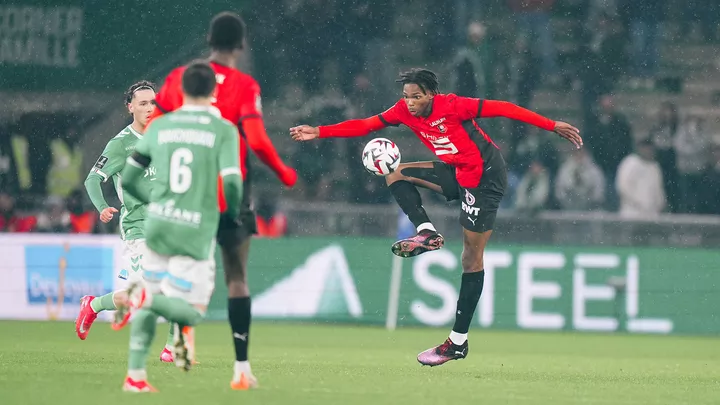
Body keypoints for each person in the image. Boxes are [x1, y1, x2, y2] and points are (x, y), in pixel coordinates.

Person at [290, 68, 581, 367]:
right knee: (394, 171)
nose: (411, 102)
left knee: (471, 258)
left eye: (417, 97)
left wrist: (551, 125)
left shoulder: (454, 105)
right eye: (406, 96)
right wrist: (319, 131)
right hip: (457, 173)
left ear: (431, 94)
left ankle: (457, 342)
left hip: (486, 178)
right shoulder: (403, 111)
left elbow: (504, 108)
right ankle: (426, 231)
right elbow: (365, 125)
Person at [149, 11, 296, 389]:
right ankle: (241, 368)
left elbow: (153, 127)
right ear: (241, 44)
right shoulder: (245, 85)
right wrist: (284, 172)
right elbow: (258, 140)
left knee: (181, 270)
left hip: (186, 190)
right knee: (236, 277)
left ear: (209, 40)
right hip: (231, 188)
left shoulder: (179, 78)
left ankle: (178, 340)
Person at [116, 61, 243, 392]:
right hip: (194, 227)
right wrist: (228, 214)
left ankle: (135, 376)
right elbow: (231, 182)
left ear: (182, 91)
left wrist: (157, 203)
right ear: (213, 92)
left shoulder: (160, 127)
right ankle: (145, 303)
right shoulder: (223, 129)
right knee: (192, 311)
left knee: (153, 291)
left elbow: (128, 179)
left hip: (158, 225)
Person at [76, 81, 177, 362]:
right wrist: (102, 206)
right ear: (130, 107)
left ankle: (172, 349)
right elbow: (93, 179)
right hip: (139, 226)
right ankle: (93, 304)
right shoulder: (121, 143)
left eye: (152, 102)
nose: (148, 108)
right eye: (142, 103)